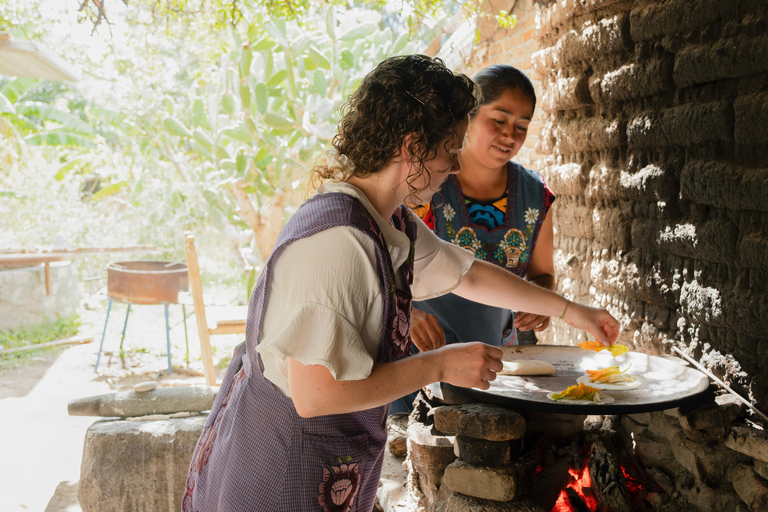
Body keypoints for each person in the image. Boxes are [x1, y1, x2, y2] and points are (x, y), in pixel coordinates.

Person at [182, 55, 619, 512]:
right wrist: (441, 364)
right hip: (281, 470)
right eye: (450, 149)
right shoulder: (339, 243)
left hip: (322, 461)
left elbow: (468, 273)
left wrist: (572, 311)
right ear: (413, 147)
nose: (455, 166)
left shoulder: (386, 221)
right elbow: (316, 394)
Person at [391, 64, 554, 414]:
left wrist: (541, 303)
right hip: (422, 356)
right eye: (499, 120)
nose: (510, 135)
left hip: (499, 360)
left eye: (522, 126)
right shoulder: (427, 183)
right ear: (469, 118)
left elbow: (543, 275)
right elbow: (382, 271)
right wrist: (406, 313)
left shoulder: (535, 194)